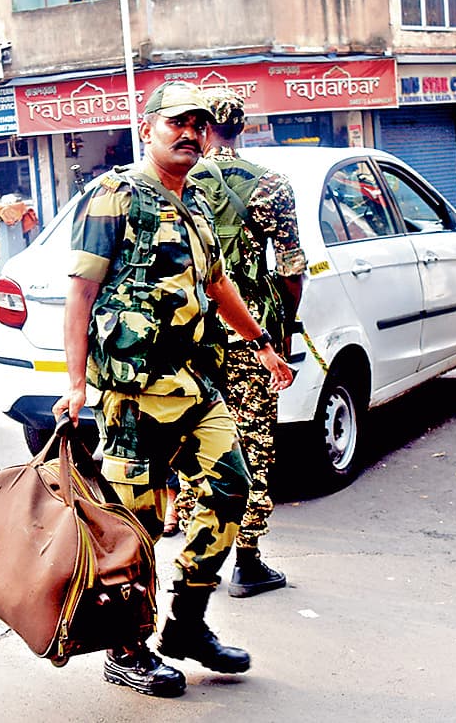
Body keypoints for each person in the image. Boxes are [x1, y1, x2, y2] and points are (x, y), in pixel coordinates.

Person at [54, 81, 294, 698]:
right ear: (148, 128)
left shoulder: (197, 206)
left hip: (196, 384)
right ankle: (127, 650)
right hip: (134, 396)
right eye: (176, 122)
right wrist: (75, 383)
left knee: (232, 490)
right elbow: (81, 292)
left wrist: (262, 342)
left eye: (199, 125)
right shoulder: (115, 195)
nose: (190, 133)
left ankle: (186, 625)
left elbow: (218, 286)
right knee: (135, 528)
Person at [186, 91, 307, 598]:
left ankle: (199, 555)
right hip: (250, 335)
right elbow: (292, 268)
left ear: (202, 128)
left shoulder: (178, 182)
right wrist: (283, 326)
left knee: (196, 440)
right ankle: (248, 560)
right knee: (252, 443)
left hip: (192, 335)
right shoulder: (271, 185)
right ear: (243, 128)